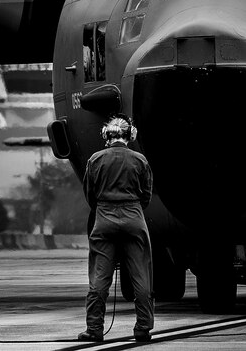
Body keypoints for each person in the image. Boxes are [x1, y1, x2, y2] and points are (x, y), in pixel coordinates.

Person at [78, 114, 154, 343]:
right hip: (133, 216)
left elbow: (89, 194)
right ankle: (142, 328)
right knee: (141, 276)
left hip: (104, 217)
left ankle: (94, 329)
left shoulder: (95, 159)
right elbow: (146, 195)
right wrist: (132, 209)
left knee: (99, 278)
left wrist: (105, 208)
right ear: (130, 135)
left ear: (106, 136)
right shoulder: (140, 160)